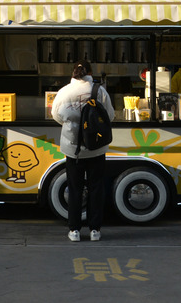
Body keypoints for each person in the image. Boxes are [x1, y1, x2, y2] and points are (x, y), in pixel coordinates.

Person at [51, 60, 115, 242]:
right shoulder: (99, 91)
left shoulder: (64, 91)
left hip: (73, 149)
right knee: (96, 188)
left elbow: (55, 115)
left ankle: (75, 231)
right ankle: (95, 230)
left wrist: (73, 122)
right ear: (90, 72)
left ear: (73, 73)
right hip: (96, 148)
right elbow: (109, 115)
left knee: (75, 189)